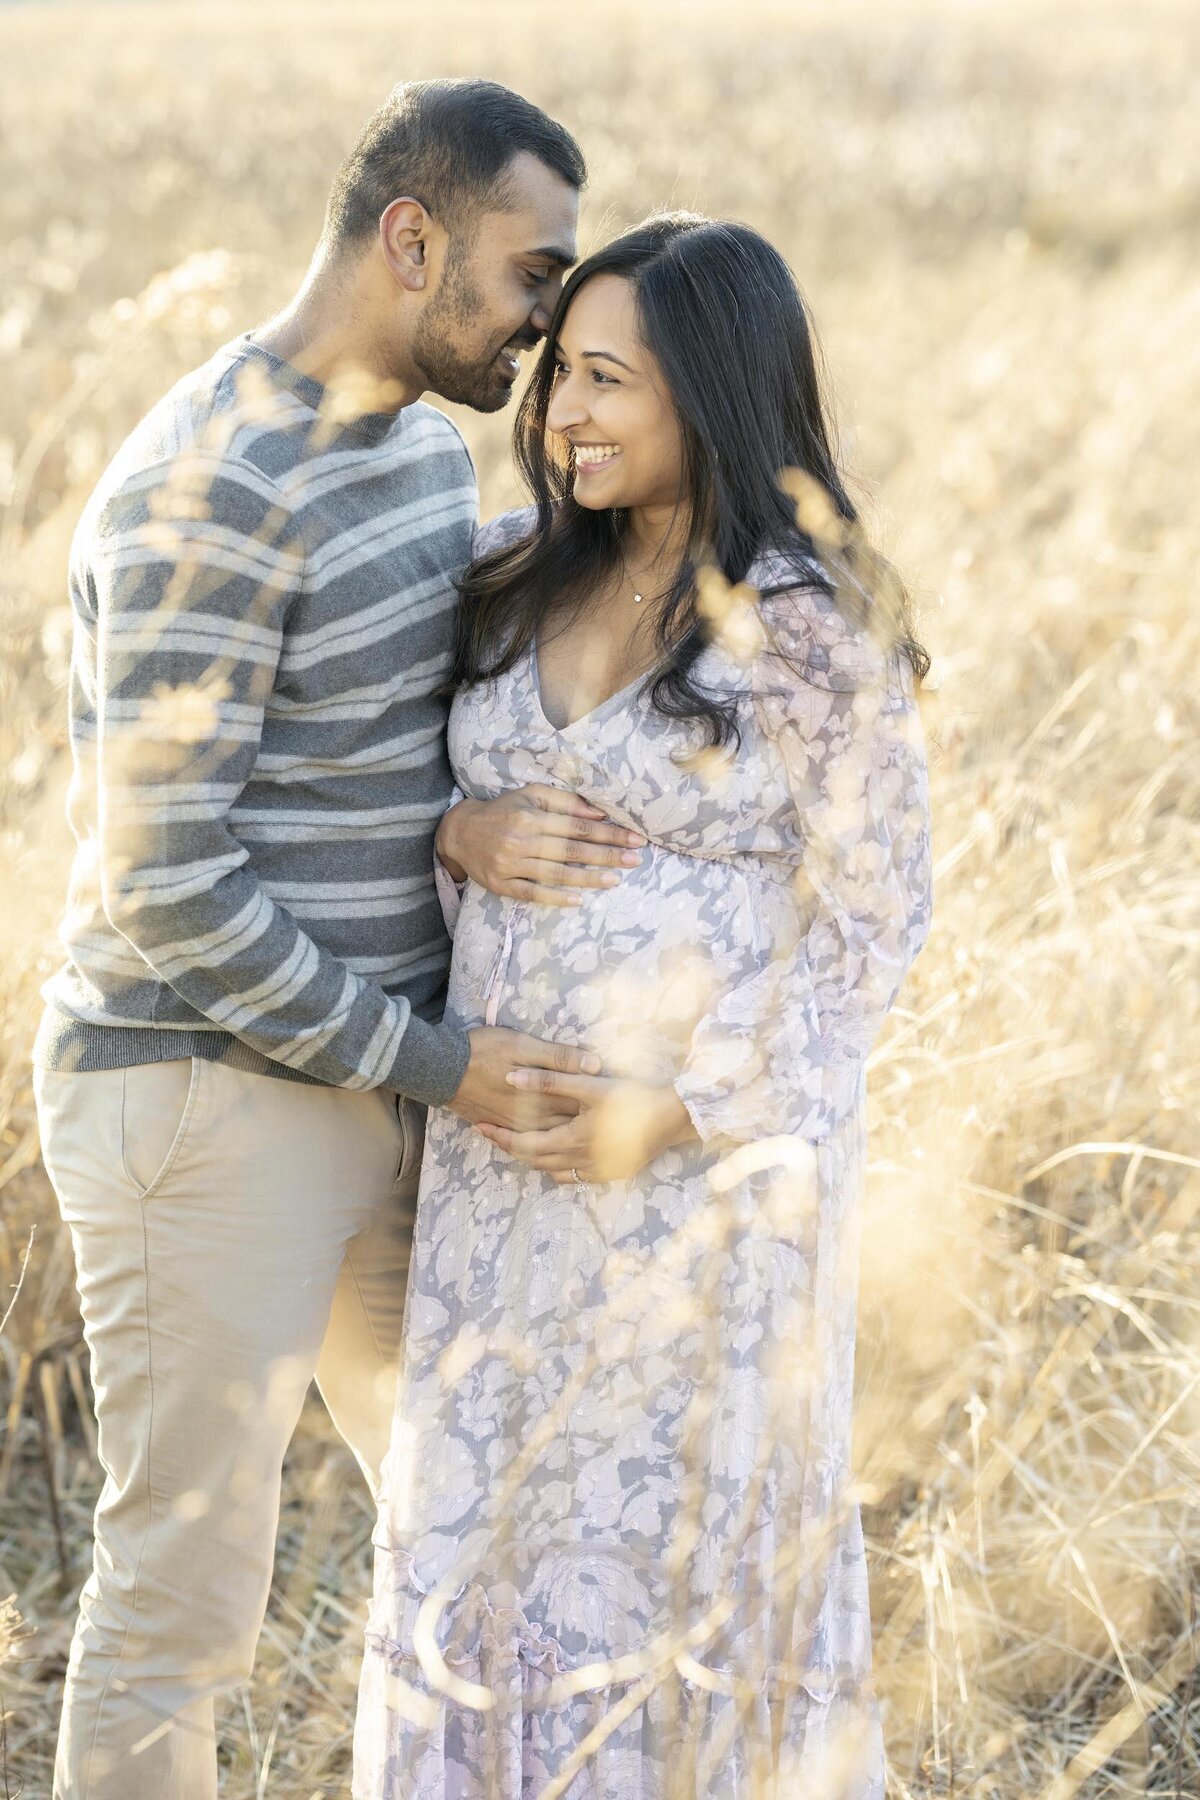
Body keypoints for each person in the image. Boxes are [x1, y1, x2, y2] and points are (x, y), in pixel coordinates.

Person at [31, 79, 649, 1800]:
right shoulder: (205, 487)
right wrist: (442, 1066)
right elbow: (167, 886)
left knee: (480, 1535)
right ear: (412, 238)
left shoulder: (404, 448)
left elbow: (391, 714)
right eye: (534, 276)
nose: (545, 323)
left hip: (374, 1088)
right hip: (203, 1102)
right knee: (185, 1605)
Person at [354, 214, 934, 1798]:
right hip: (497, 1177)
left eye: (609, 382)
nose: (565, 418)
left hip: (697, 1201)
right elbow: (401, 799)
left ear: (717, 397)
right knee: (490, 1541)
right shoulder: (508, 573)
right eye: (560, 378)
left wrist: (675, 1110)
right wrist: (455, 835)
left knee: (663, 1569)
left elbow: (877, 922)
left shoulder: (806, 627)